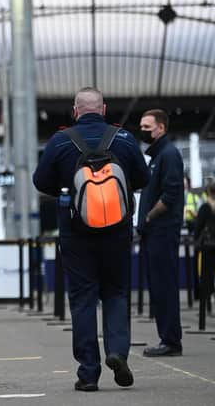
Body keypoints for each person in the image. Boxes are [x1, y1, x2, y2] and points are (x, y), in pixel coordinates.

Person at [33, 87, 149, 391]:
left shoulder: (61, 141)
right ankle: (117, 352)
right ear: (104, 109)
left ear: (75, 111)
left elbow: (40, 182)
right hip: (118, 232)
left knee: (83, 299)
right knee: (116, 293)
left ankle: (88, 374)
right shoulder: (123, 138)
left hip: (76, 233)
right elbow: (143, 180)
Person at [137, 109, 185, 357]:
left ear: (161, 128)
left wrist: (148, 216)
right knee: (158, 286)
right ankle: (167, 337)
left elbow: (171, 193)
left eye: (147, 126)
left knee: (164, 285)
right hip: (153, 232)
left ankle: (171, 341)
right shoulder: (157, 156)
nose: (143, 130)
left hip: (163, 231)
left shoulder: (169, 155)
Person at [194, 182, 215, 303]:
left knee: (206, 276)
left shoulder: (205, 208)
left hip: (207, 248)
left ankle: (205, 301)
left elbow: (198, 228)